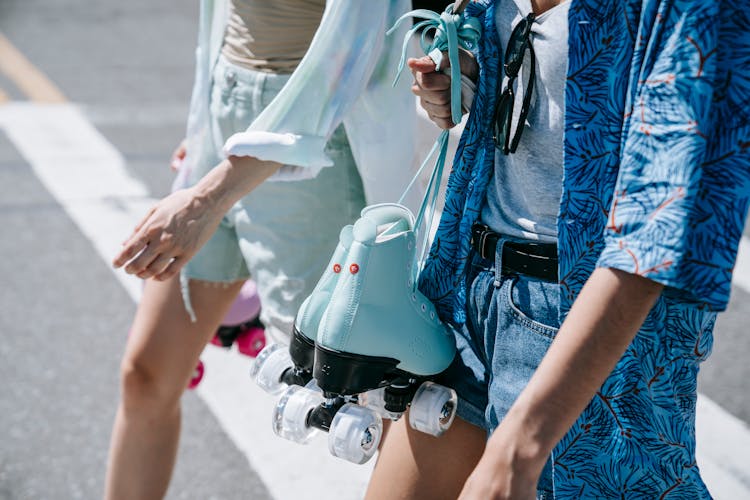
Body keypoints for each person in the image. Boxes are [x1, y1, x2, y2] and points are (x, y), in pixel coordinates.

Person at [366, 0, 749, 499]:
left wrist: (522, 442)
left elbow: (661, 234)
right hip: (464, 288)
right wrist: (466, 81)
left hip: (579, 322)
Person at [104, 1, 417, 498]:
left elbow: (354, 45)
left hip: (313, 145)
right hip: (226, 130)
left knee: (374, 401)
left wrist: (207, 198)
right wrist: (205, 126)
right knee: (146, 374)